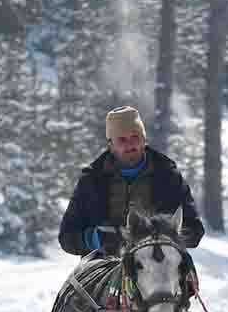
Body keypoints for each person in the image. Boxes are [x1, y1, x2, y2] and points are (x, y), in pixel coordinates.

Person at [59, 106, 205, 257]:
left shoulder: (167, 175)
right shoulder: (91, 179)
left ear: (144, 140)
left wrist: (164, 235)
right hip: (103, 262)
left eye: (135, 137)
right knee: (77, 281)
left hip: (159, 262)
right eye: (122, 140)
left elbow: (194, 230)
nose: (130, 145)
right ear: (111, 145)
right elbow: (66, 236)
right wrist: (94, 239)